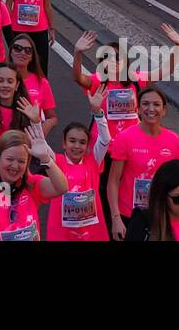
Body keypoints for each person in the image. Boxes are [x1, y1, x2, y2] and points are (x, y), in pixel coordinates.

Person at [0, 126, 68, 240]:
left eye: (21, 161)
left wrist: (45, 158)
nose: (15, 166)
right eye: (10, 159)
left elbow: (61, 188)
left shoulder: (31, 185)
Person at [107, 86, 179, 240]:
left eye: (156, 104)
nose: (151, 109)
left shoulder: (173, 140)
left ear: (164, 110)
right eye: (145, 104)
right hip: (130, 214)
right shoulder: (125, 138)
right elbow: (113, 182)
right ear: (138, 108)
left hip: (162, 214)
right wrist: (115, 218)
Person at [45, 89, 112, 242]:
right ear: (63, 143)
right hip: (62, 230)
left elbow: (105, 139)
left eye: (82, 142)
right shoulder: (56, 162)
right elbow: (41, 146)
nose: (77, 146)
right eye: (72, 141)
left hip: (91, 229)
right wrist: (36, 122)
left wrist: (98, 113)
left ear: (88, 146)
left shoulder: (93, 160)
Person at [9, 34, 57, 138]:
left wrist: (41, 132)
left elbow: (52, 117)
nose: (22, 53)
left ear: (31, 57)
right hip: (6, 138)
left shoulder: (42, 82)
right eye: (17, 48)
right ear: (10, 52)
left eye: (28, 50)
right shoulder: (1, 77)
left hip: (32, 140)